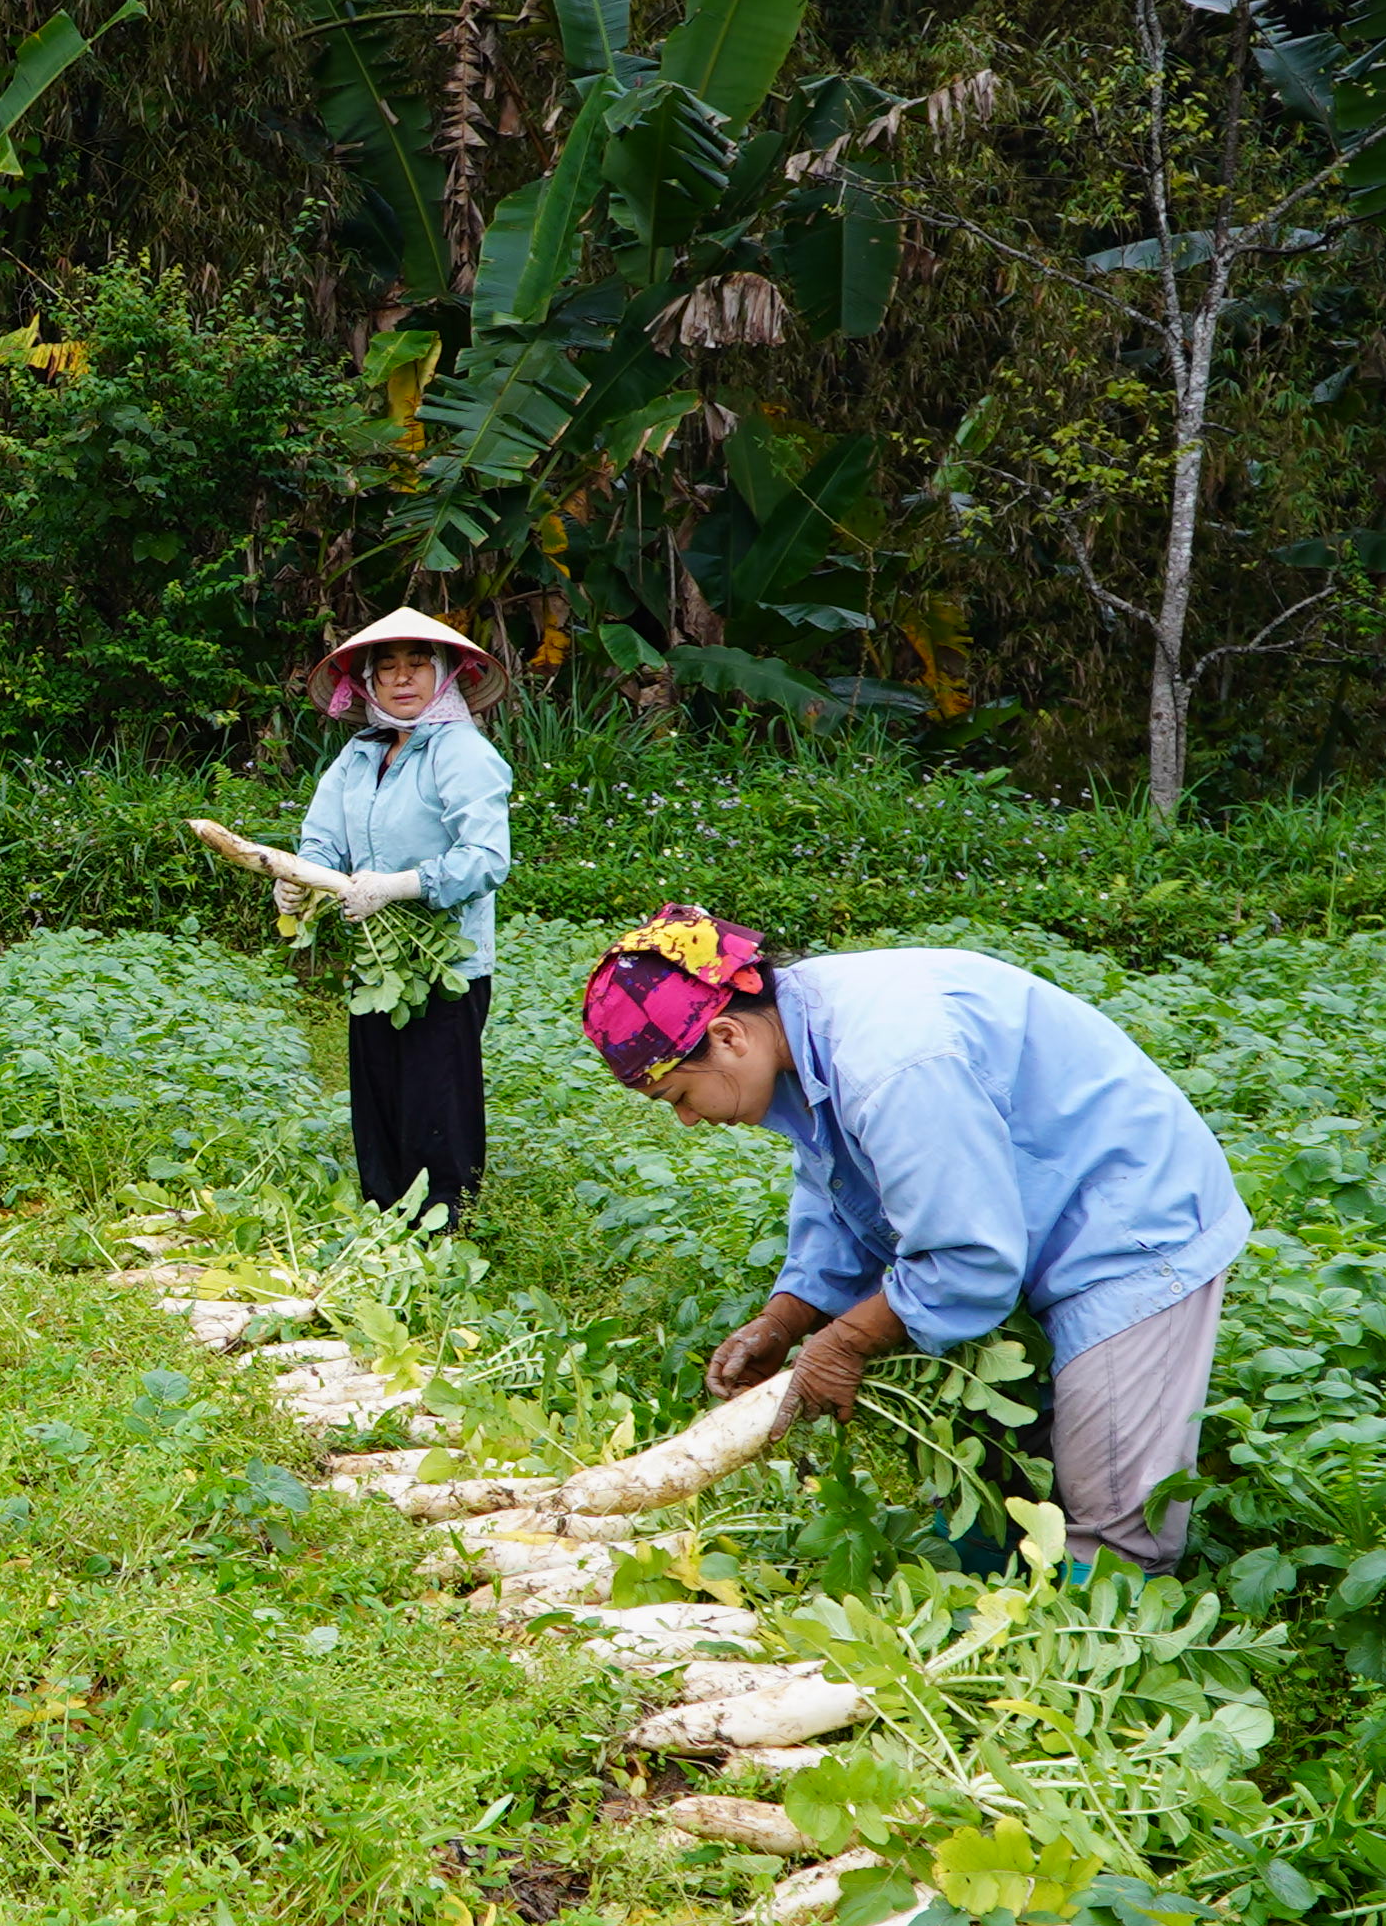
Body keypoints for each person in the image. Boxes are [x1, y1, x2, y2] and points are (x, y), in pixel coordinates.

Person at [580, 905, 1248, 1576]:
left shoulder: (891, 1059)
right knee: (991, 1468)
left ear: (727, 1037)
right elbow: (839, 1188)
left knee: (1110, 1511)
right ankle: (978, 1598)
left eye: (679, 1097)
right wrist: (788, 1317)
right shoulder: (798, 1024)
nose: (691, 1120)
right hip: (1031, 1211)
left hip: (1128, 1225)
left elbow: (969, 1260)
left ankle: (1096, 1647)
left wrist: (844, 1342)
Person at [289, 606, 516, 1223]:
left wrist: (400, 885)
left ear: (444, 676)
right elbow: (322, 839)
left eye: (419, 664)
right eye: (386, 667)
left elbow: (487, 859)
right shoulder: (360, 755)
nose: (402, 678)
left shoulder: (462, 752)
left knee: (435, 1097)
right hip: (378, 959)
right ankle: (385, 1214)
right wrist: (298, 880)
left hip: (448, 958)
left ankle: (446, 1221)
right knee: (380, 1091)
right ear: (367, 684)